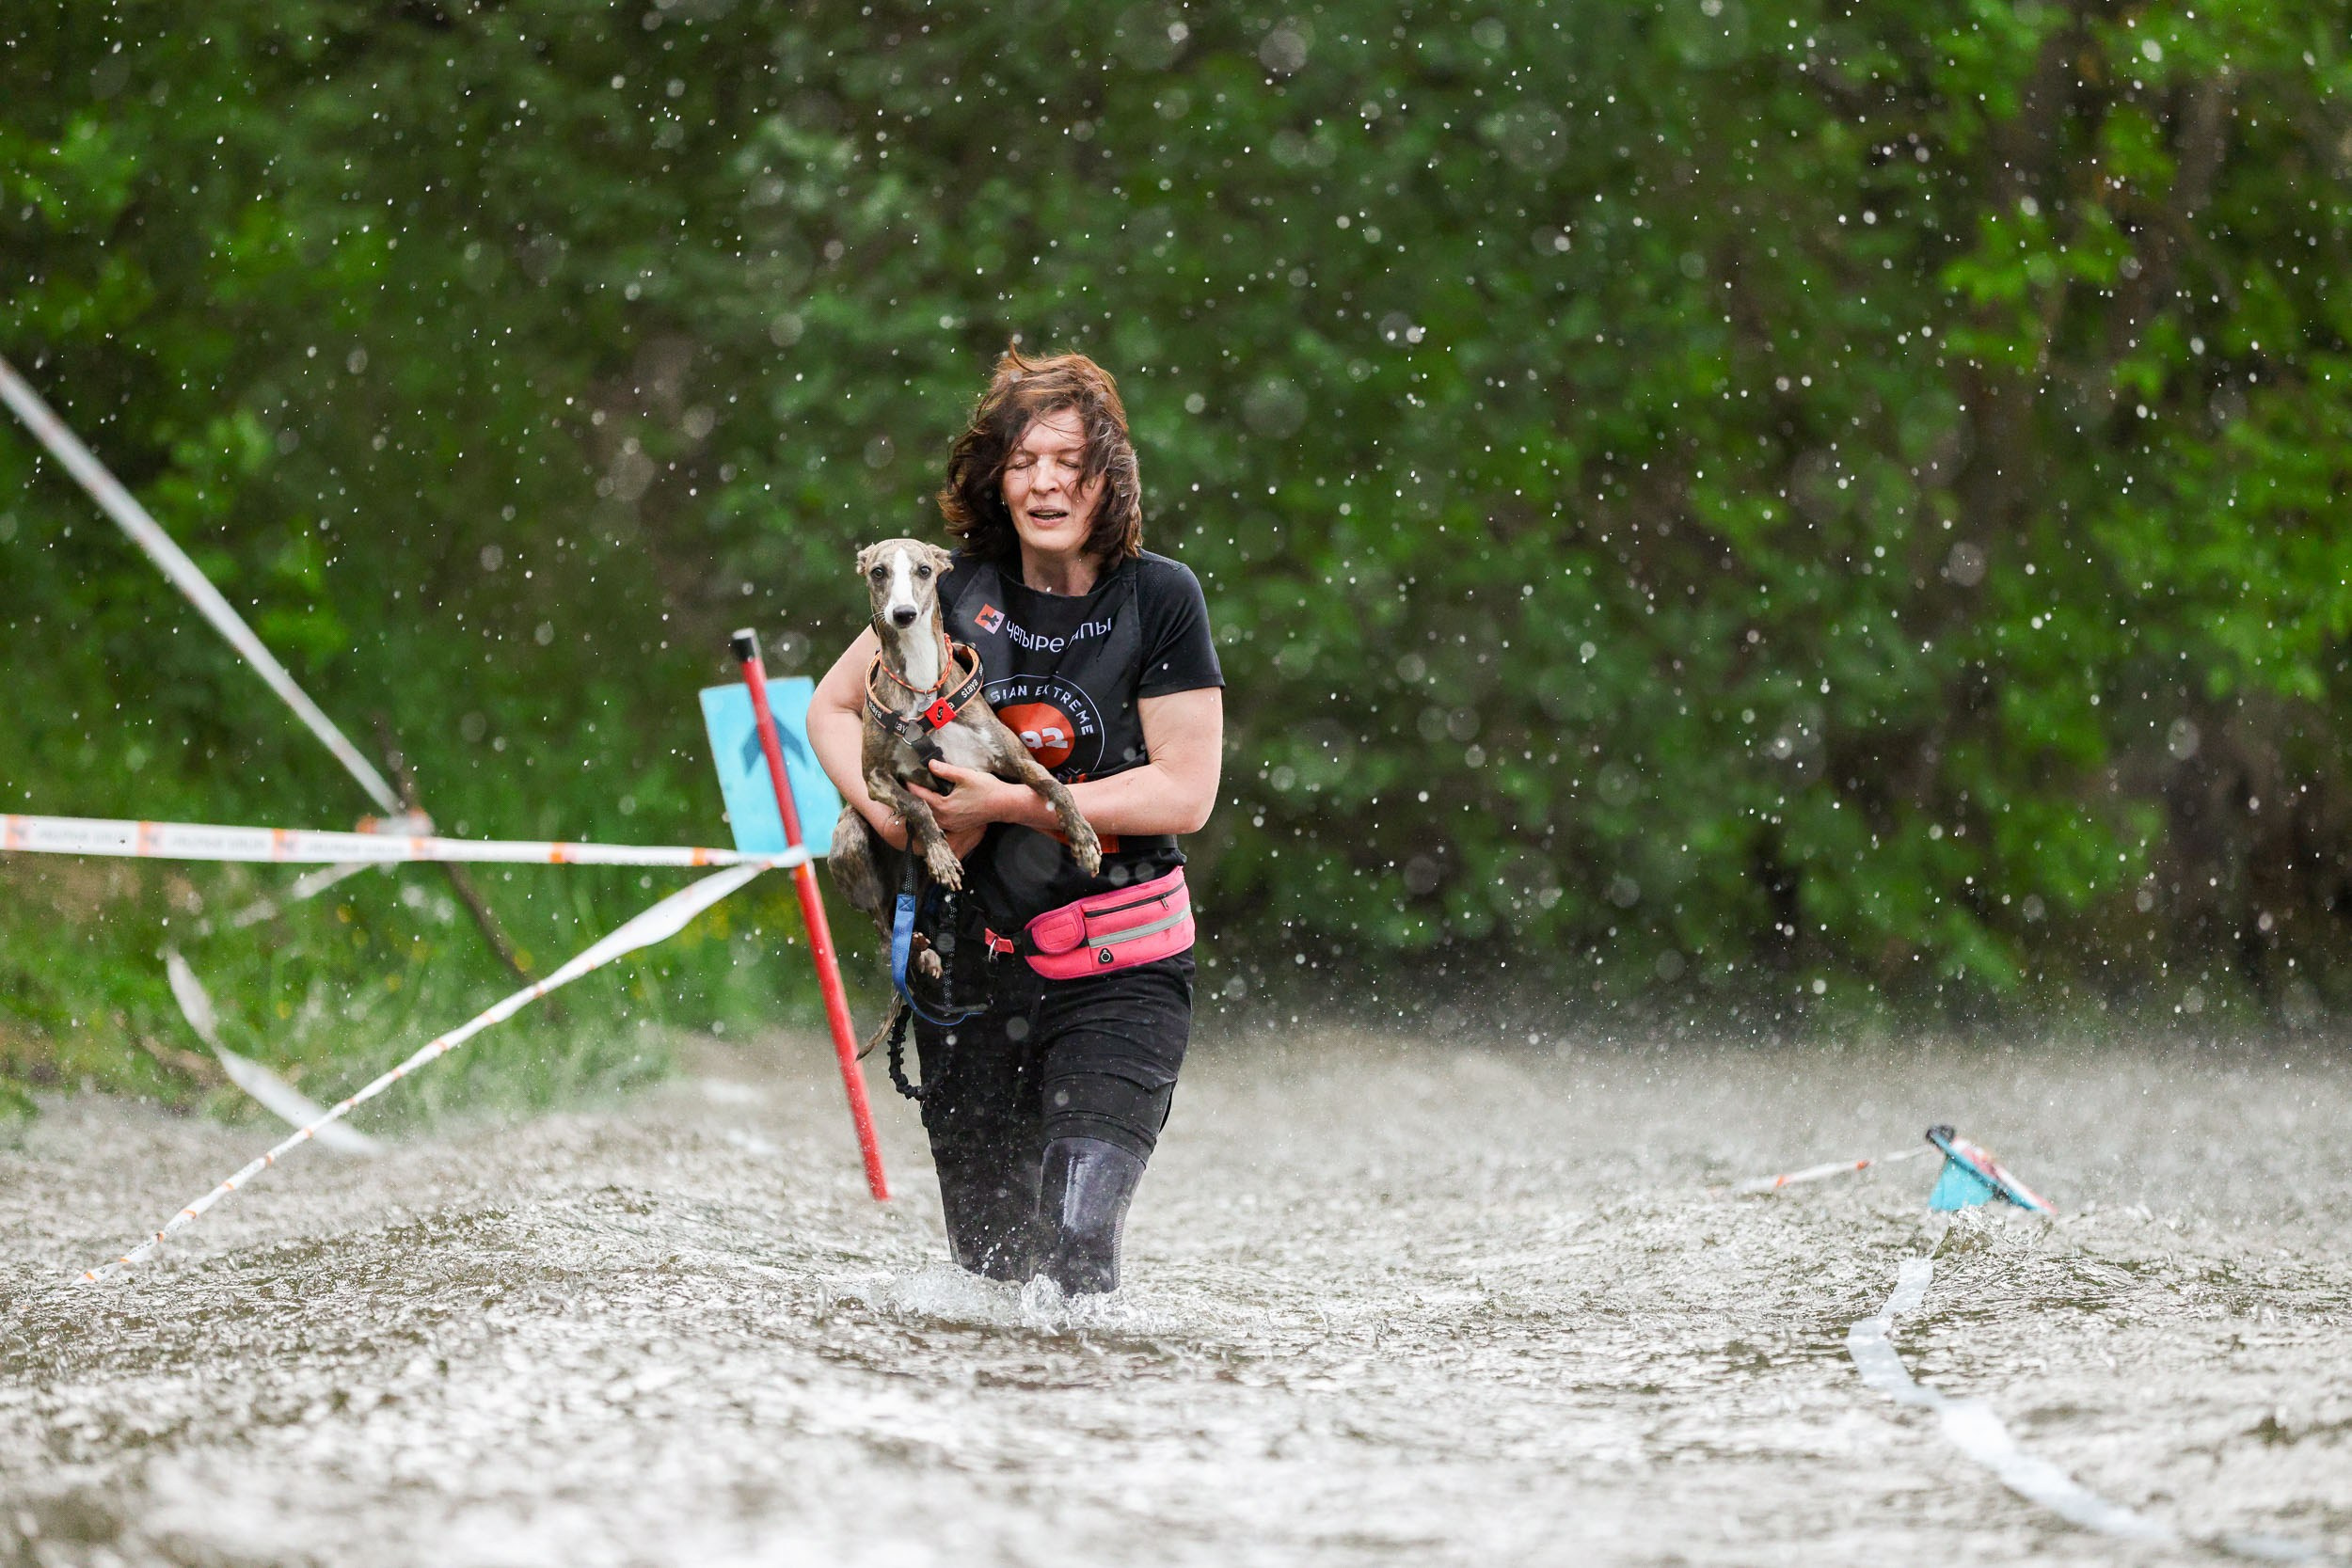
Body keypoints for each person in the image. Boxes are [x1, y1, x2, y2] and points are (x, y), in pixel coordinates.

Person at [806, 348, 1224, 1295]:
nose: (1044, 482)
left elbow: (1185, 792)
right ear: (994, 476)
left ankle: (1094, 1428)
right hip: (968, 979)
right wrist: (896, 816)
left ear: (1107, 474)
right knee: (989, 1282)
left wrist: (1010, 804)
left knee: (1077, 1247)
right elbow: (830, 711)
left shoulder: (1161, 598)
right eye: (1023, 459)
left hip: (1121, 970)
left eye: (1068, 459)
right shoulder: (951, 590)